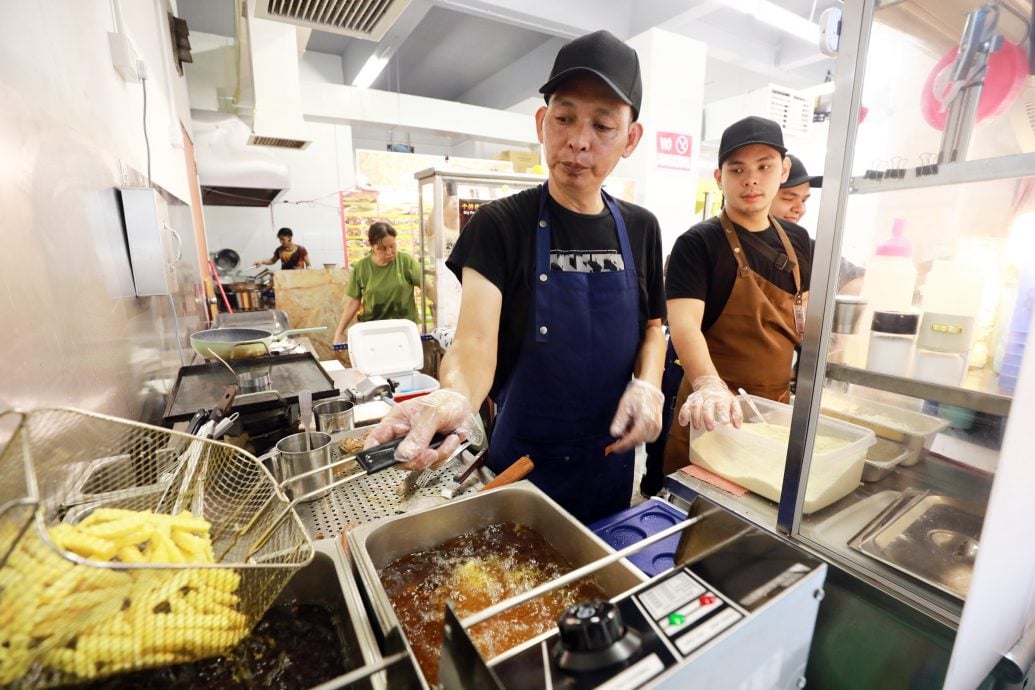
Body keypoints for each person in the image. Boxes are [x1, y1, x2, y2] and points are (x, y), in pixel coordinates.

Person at [362, 30, 667, 525]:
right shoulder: (500, 225)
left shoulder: (641, 227)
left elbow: (655, 326)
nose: (579, 141)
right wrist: (456, 395)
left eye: (603, 125)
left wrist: (649, 384)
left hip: (610, 467)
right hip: (523, 472)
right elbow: (475, 342)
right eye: (564, 118)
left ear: (630, 138)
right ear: (543, 123)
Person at [662, 116, 812, 474]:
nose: (751, 180)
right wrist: (708, 384)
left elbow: (802, 313)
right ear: (720, 178)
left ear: (783, 169)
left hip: (774, 407)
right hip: (710, 412)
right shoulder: (697, 244)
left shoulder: (799, 241)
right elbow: (684, 326)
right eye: (737, 169)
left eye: (764, 166)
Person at [332, 221, 423, 341]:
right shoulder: (361, 267)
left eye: (392, 246)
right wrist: (339, 332)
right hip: (373, 331)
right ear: (371, 246)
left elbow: (426, 287)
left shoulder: (405, 261)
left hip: (404, 330)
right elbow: (354, 302)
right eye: (382, 248)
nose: (389, 252)